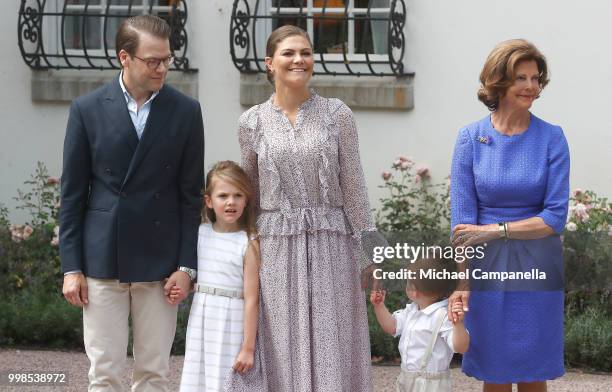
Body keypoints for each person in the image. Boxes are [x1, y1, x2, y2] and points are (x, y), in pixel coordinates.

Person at [59, 15, 204, 392]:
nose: (162, 68)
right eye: (153, 60)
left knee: (153, 373)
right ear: (125, 58)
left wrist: (187, 266)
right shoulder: (86, 109)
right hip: (103, 258)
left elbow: (191, 199)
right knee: (104, 371)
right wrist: (71, 267)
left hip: (161, 263)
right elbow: (73, 197)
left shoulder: (186, 111)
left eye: (167, 59)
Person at [232, 25, 379, 391]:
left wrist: (372, 256)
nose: (299, 60)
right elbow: (248, 191)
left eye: (306, 53)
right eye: (289, 53)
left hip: (332, 245)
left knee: (334, 342)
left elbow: (355, 187)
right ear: (269, 63)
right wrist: (238, 251)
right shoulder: (250, 122)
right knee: (280, 342)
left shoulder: (337, 114)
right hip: (277, 247)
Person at [450, 39, 569, 392]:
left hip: (537, 265)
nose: (531, 86)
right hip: (486, 269)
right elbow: (461, 225)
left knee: (533, 370)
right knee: (495, 369)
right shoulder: (470, 139)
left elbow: (554, 217)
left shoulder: (552, 138)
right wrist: (462, 283)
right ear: (498, 82)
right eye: (521, 78)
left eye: (536, 78)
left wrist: (494, 231)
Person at [175, 161, 261, 392]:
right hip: (202, 316)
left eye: (237, 195)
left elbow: (252, 299)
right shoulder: (200, 233)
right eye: (223, 195)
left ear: (246, 200)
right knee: (199, 378)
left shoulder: (249, 242)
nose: (231, 202)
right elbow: (190, 274)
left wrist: (248, 348)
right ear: (209, 201)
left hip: (232, 320)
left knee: (224, 380)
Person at [370, 257, 470, 392]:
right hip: (407, 378)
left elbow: (461, 347)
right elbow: (392, 327)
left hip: (433, 385)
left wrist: (457, 325)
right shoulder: (411, 310)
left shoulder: (444, 316)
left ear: (414, 290)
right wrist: (379, 306)